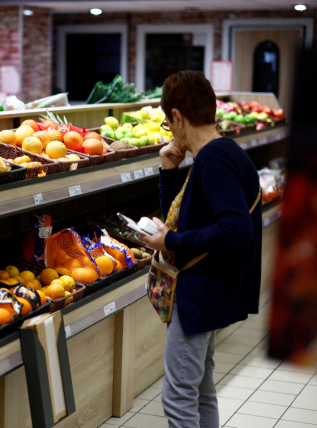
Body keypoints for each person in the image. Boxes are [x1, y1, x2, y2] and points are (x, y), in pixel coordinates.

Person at [140, 70, 262, 428]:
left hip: (201, 294)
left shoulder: (214, 159)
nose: (170, 131)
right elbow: (181, 217)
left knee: (178, 399)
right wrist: (167, 170)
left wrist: (171, 242)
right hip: (213, 290)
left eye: (168, 123)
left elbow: (235, 228)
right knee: (202, 390)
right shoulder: (221, 153)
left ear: (177, 116)